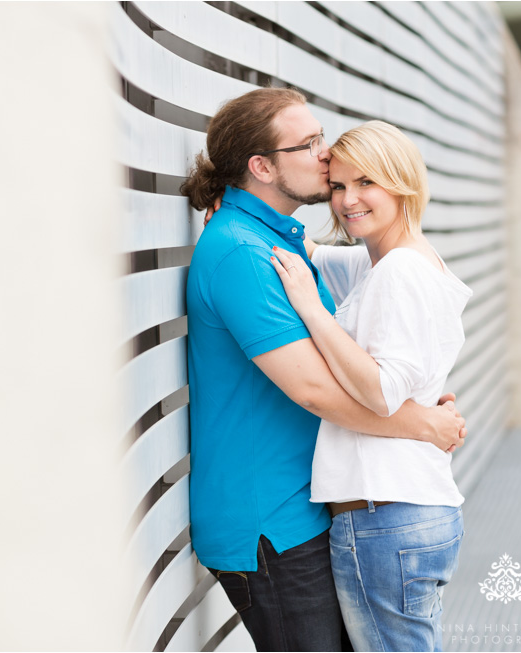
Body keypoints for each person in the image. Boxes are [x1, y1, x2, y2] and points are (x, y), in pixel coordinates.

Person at [180, 88, 466, 652]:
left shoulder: (274, 239)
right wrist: (421, 424)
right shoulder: (242, 251)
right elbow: (315, 389)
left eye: (321, 136)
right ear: (262, 166)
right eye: (308, 143)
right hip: (271, 520)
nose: (325, 152)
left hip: (309, 508)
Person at [269, 121, 471, 652]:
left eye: (366, 183)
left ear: (401, 183)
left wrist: (312, 311)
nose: (348, 200)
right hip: (406, 514)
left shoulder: (399, 271)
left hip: (385, 519)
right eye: (337, 186)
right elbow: (311, 252)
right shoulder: (383, 260)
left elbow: (382, 391)